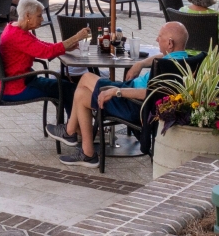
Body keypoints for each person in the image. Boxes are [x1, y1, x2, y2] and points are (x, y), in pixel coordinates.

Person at [47, 21, 190, 167]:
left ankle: (70, 132)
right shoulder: (184, 59)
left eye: (160, 37)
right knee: (82, 94)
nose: (156, 39)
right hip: (131, 95)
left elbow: (151, 94)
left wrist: (117, 92)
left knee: (85, 78)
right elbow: (160, 56)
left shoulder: (167, 68)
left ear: (170, 43)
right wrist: (139, 64)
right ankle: (86, 152)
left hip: (134, 104)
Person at [0, 0, 88, 113]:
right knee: (68, 89)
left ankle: (71, 126)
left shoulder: (14, 27)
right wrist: (76, 37)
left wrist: (65, 47)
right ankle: (73, 129)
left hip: (17, 82)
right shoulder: (18, 36)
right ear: (27, 16)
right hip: (16, 87)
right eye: (39, 16)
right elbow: (46, 52)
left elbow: (42, 45)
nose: (42, 19)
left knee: (65, 86)